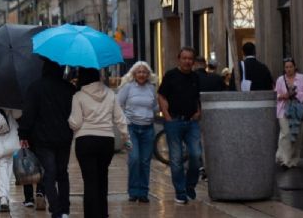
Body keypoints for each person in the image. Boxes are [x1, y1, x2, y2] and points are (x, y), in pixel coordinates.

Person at [68, 68, 130, 218]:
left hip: (85, 141)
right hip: (106, 141)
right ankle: (103, 213)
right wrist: (126, 138)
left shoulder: (78, 96)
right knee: (102, 177)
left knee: (89, 181)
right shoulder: (110, 94)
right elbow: (120, 118)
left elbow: (76, 123)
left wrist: (69, 120)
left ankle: (91, 214)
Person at [19, 59, 75, 218]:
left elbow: (28, 114)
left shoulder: (35, 88)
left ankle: (56, 211)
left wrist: (23, 134)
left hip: (43, 139)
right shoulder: (69, 88)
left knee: (49, 174)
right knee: (63, 173)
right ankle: (65, 210)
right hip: (64, 137)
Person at [157, 47, 203, 204]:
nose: (187, 61)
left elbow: (198, 97)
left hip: (192, 122)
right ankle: (180, 191)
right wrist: (167, 116)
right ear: (179, 59)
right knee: (176, 159)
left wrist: (198, 111)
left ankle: (190, 186)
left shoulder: (196, 77)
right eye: (184, 58)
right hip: (174, 121)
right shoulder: (170, 75)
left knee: (196, 155)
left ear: (194, 61)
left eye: (190, 59)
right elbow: (161, 95)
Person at [117, 61, 158, 203]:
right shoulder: (127, 87)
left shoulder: (151, 88)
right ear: (134, 74)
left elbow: (155, 106)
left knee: (145, 161)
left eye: (144, 72)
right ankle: (133, 191)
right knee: (134, 159)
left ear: (148, 74)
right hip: (131, 129)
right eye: (139, 72)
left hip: (148, 129)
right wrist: (123, 121)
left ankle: (143, 192)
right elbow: (118, 104)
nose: (142, 74)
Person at [275, 58, 303, 168]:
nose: (289, 69)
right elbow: (276, 94)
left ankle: (293, 159)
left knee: (297, 135)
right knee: (285, 134)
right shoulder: (280, 80)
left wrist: (295, 95)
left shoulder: (302, 78)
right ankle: (285, 160)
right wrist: (283, 96)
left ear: (294, 67)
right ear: (284, 68)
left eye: (290, 66)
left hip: (297, 110)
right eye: (286, 67)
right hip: (284, 110)